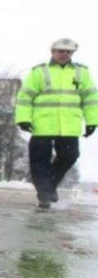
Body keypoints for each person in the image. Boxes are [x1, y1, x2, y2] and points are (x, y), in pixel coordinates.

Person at [15, 38, 98, 209]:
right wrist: (23, 118)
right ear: (52, 51)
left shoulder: (81, 72)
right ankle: (44, 195)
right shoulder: (39, 71)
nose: (64, 54)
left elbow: (91, 99)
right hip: (42, 124)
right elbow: (25, 96)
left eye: (68, 52)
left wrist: (92, 121)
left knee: (70, 156)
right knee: (39, 161)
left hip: (69, 125)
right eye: (61, 51)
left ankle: (48, 187)